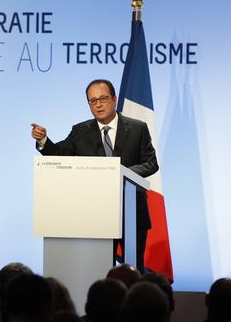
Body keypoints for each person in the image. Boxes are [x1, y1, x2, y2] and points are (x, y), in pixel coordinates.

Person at [31, 79, 158, 271]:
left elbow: (151, 163)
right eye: (92, 101)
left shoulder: (137, 128)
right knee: (101, 271)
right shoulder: (81, 131)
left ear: (114, 99)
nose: (98, 105)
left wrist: (118, 172)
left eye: (103, 98)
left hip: (132, 211)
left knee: (134, 270)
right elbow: (59, 156)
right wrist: (43, 140)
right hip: (97, 215)